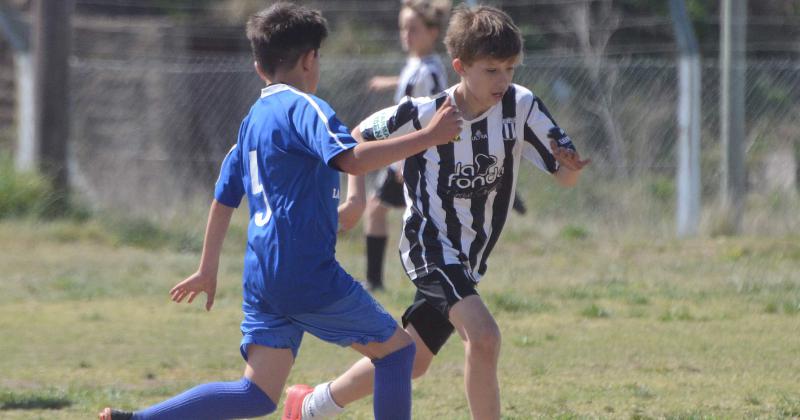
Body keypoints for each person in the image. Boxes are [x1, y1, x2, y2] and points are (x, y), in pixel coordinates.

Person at [97, 3, 462, 420]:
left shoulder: (252, 121)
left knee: (256, 394)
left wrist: (207, 268)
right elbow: (352, 159)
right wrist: (429, 136)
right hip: (304, 272)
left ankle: (137, 419)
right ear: (310, 60)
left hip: (262, 276)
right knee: (398, 355)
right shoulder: (305, 107)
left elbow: (224, 198)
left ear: (258, 66)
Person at [282, 4, 589, 420]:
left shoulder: (522, 106)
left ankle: (310, 405)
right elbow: (354, 137)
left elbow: (565, 177)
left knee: (411, 358)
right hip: (428, 245)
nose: (503, 80)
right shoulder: (424, 113)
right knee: (484, 337)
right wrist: (355, 198)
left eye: (510, 69)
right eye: (492, 69)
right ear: (460, 66)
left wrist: (567, 167)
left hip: (469, 257)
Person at [363, 0, 450, 292]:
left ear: (433, 32)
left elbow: (438, 109)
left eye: (413, 28)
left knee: (381, 211)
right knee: (390, 213)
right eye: (403, 27)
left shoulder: (430, 71)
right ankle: (388, 280)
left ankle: (380, 282)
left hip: (410, 153)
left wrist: (406, 157)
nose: (406, 34)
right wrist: (389, 82)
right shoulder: (418, 63)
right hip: (404, 151)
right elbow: (410, 83)